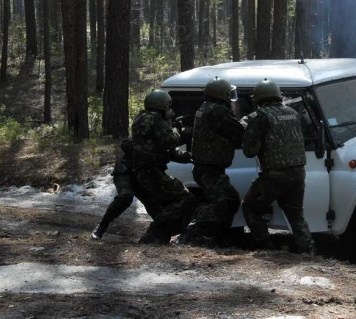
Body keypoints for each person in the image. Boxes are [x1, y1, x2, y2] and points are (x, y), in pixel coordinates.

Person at [240, 79, 315, 255]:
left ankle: (265, 247)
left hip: (275, 175)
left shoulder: (259, 117)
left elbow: (250, 151)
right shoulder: (292, 112)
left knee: (250, 207)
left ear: (258, 97)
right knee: (296, 216)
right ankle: (309, 250)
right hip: (298, 173)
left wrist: (246, 131)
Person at [178, 78, 245, 246]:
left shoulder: (205, 108)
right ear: (221, 94)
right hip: (209, 168)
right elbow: (239, 130)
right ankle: (195, 232)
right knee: (221, 203)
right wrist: (248, 120)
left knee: (231, 200)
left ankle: (217, 235)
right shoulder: (217, 112)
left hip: (207, 167)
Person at [91, 136, 193, 240]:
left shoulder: (166, 142)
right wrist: (147, 147)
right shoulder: (146, 134)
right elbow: (125, 143)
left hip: (143, 177)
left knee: (157, 210)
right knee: (125, 197)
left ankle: (157, 235)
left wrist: (190, 156)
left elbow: (179, 155)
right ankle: (101, 227)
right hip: (125, 172)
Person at [132, 89, 196, 244]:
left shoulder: (140, 118)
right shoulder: (153, 119)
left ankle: (161, 235)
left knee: (167, 203)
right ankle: (153, 232)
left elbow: (161, 146)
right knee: (185, 198)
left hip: (144, 171)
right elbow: (171, 140)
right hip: (151, 171)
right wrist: (177, 128)